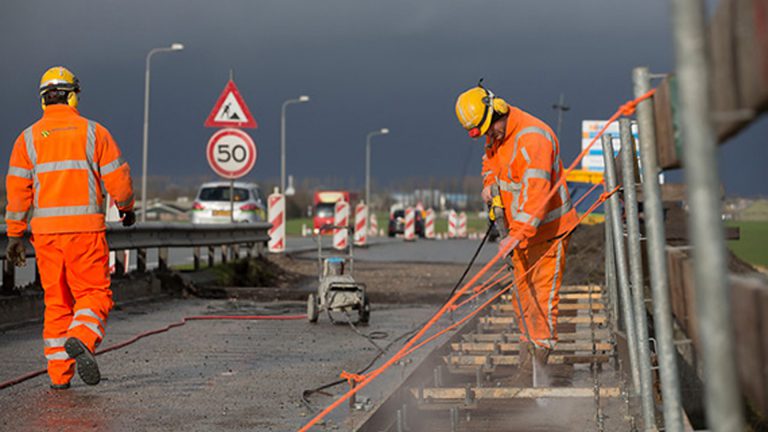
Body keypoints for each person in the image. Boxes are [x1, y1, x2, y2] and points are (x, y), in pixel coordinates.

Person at [5, 66, 136, 389]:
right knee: (93, 293)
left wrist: (15, 235)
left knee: (57, 302)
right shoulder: (94, 132)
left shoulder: (27, 139)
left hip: (46, 236)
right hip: (85, 232)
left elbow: (18, 192)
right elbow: (119, 179)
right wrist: (126, 208)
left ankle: (59, 376)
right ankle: (82, 336)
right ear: (73, 96)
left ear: (43, 100)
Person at [455, 81, 578, 379]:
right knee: (522, 298)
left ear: (499, 109)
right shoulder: (497, 135)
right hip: (520, 235)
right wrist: (489, 186)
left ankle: (536, 371)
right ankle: (527, 364)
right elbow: (490, 164)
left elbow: (536, 194)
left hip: (547, 233)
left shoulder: (533, 138)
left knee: (541, 300)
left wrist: (516, 234)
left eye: (490, 130)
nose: (490, 137)